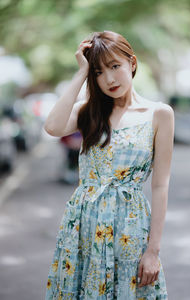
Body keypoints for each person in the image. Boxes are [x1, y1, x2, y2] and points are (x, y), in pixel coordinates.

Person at [44, 30, 174, 299]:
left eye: (115, 66)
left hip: (130, 227)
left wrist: (153, 251)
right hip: (82, 226)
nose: (109, 78)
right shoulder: (88, 111)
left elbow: (161, 185)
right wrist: (81, 73)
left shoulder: (159, 114)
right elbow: (53, 126)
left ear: (132, 63)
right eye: (99, 72)